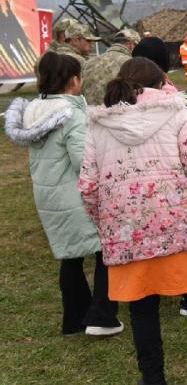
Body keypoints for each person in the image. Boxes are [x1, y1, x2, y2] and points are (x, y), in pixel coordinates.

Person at [78, 57, 187, 385]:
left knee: (142, 308)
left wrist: (106, 222)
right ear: (161, 82)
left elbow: (88, 187)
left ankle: (153, 379)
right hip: (180, 222)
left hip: (127, 230)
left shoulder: (99, 123)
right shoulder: (176, 111)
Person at [5, 52, 123, 337]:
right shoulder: (72, 114)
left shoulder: (35, 110)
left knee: (71, 255)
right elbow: (83, 161)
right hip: (75, 195)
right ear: (73, 81)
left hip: (50, 195)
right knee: (105, 250)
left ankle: (75, 318)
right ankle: (102, 316)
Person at [82, 28, 141, 105]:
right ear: (131, 45)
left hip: (88, 110)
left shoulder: (89, 62)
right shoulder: (131, 63)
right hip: (115, 110)